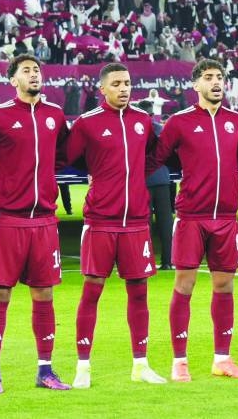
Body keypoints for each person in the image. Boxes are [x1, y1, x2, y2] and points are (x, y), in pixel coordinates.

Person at [65, 63, 166, 388]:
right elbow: (72, 158)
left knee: (139, 293)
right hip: (100, 221)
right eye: (117, 84)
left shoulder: (142, 121)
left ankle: (141, 365)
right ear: (103, 89)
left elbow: (152, 156)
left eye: (127, 83)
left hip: (136, 222)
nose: (124, 89)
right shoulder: (86, 123)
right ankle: (83, 368)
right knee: (91, 291)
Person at [151, 59, 238, 382]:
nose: (216, 82)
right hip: (192, 216)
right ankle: (179, 361)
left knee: (224, 286)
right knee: (185, 285)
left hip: (226, 218)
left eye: (220, 77)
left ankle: (222, 358)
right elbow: (154, 159)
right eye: (208, 77)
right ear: (196, 86)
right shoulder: (179, 122)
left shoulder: (236, 122)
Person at [0, 55, 72, 394]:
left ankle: (45, 370)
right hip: (8, 219)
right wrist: (4, 184)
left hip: (44, 219)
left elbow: (62, 154)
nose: (34, 75)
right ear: (13, 80)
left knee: (44, 293)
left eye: (37, 70)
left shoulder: (55, 115)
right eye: (26, 71)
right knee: (0, 292)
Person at [139, 100, 172, 270]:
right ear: (152, 114)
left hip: (144, 180)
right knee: (165, 221)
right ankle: (168, 260)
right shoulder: (161, 129)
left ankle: (146, 261)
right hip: (162, 179)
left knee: (145, 223)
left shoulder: (136, 129)